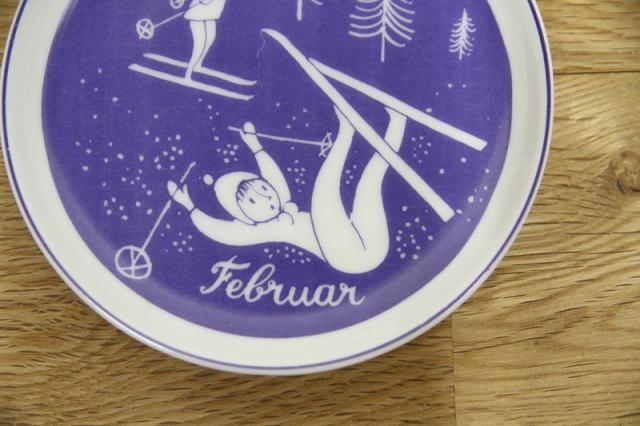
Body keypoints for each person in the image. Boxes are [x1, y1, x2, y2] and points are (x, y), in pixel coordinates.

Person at [167, 107, 407, 274]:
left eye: (262, 188)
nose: (265, 197)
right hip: (347, 258)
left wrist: (255, 146)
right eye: (252, 202)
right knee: (325, 191)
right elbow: (220, 232)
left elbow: (273, 178)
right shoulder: (262, 229)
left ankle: (397, 123)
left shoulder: (282, 200)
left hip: (375, 251)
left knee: (370, 182)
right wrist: (190, 206)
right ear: (244, 216)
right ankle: (346, 132)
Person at [184, 0, 228, 80]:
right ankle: (188, 73)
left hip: (209, 15)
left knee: (211, 38)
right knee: (199, 44)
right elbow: (204, 1)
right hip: (197, 15)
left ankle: (198, 64)